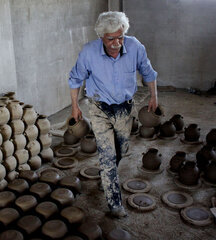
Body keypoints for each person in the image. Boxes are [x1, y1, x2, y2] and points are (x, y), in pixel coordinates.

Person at [68, 11, 158, 218]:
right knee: (107, 154)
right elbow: (74, 79)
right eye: (111, 39)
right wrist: (75, 106)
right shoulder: (89, 52)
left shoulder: (135, 46)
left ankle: (106, 177)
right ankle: (114, 203)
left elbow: (148, 72)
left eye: (120, 37)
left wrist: (154, 96)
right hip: (99, 108)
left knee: (121, 148)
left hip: (125, 108)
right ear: (101, 37)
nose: (117, 43)